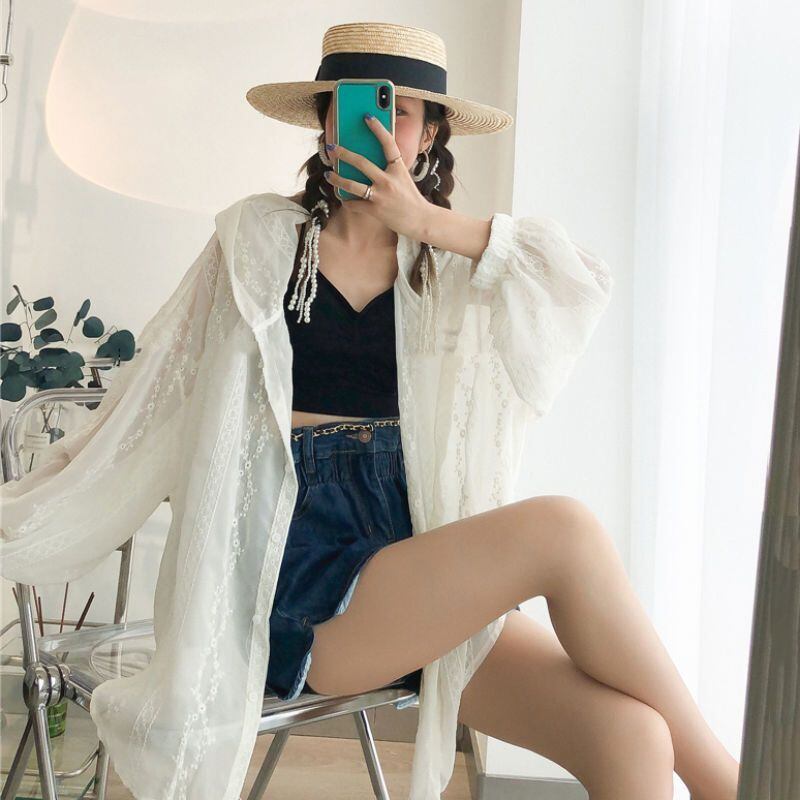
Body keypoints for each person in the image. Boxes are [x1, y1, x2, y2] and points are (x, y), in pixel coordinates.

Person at [0, 20, 738, 800]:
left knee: (631, 734)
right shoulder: (258, 240)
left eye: (401, 113)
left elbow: (578, 284)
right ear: (325, 124)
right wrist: (35, 496)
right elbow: (153, 389)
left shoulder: (450, 263)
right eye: (350, 108)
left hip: (419, 566)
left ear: (430, 136)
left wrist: (425, 223)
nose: (377, 130)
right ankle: (737, 783)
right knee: (565, 530)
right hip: (300, 574)